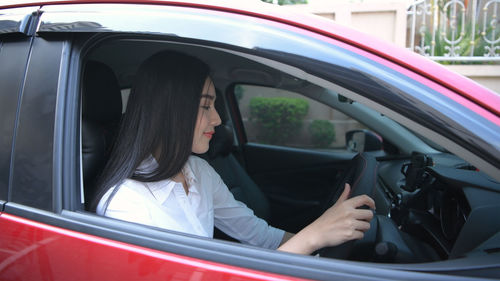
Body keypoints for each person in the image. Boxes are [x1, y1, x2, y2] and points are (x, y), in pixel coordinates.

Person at [92, 50, 375, 255]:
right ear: (168, 112)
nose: (217, 119)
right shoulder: (126, 205)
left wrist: (325, 236)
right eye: (205, 106)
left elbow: (259, 236)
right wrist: (313, 238)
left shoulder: (198, 171)